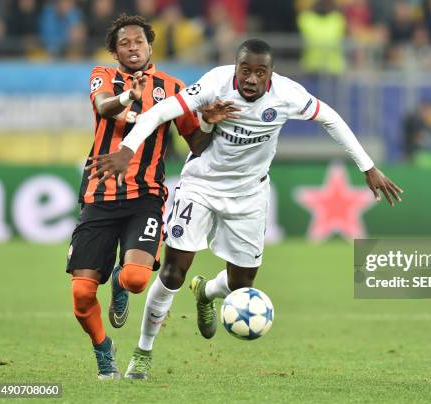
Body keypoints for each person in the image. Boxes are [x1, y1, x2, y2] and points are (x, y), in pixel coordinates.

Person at [87, 39, 403, 379]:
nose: (251, 79)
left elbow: (331, 119)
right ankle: (143, 352)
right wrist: (128, 148)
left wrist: (367, 167)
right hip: (201, 187)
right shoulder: (214, 83)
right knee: (173, 271)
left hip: (249, 195)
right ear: (236, 68)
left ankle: (207, 291)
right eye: (245, 71)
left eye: (260, 72)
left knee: (242, 285)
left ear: (271, 74)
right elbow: (162, 111)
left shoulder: (289, 94)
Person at [66, 13, 226, 380]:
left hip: (147, 196)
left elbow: (197, 143)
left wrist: (207, 122)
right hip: (100, 194)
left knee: (137, 278)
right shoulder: (103, 76)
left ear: (150, 45)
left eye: (139, 41)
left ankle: (120, 281)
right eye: (124, 44)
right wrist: (128, 95)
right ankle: (103, 347)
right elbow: (104, 106)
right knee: (81, 296)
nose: (133, 48)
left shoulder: (172, 87)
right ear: (114, 51)